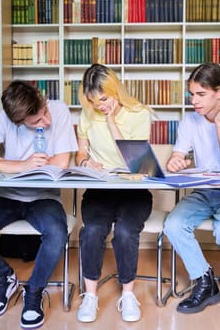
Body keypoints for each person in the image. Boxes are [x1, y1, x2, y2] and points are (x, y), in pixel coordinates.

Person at [0, 80, 77, 329]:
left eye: (43, 112)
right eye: (35, 122)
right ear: (17, 121)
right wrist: (20, 166)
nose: (45, 122)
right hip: (7, 196)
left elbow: (62, 161)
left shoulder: (59, 110)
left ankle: (33, 292)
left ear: (42, 98)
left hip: (45, 197)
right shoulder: (5, 119)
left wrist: (23, 166)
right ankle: (4, 279)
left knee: (57, 233)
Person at [163, 63, 220, 316]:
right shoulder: (189, 120)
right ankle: (205, 281)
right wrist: (175, 162)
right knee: (173, 224)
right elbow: (177, 155)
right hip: (204, 191)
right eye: (192, 94)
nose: (194, 100)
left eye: (200, 94)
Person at [74, 64, 153, 323]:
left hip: (134, 191)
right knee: (92, 231)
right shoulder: (87, 115)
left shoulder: (139, 113)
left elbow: (137, 163)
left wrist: (111, 122)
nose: (99, 105)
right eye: (93, 100)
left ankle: (128, 294)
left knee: (125, 232)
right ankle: (91, 296)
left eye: (104, 99)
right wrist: (86, 163)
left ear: (116, 91)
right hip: (100, 189)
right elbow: (81, 152)